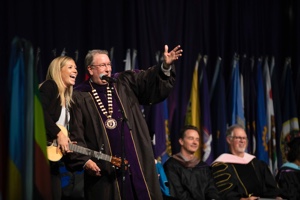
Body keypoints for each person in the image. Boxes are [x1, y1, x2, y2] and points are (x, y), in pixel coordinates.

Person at [66, 45, 183, 200]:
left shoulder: (123, 82)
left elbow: (147, 79)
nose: (107, 69)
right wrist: (84, 160)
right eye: (102, 65)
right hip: (105, 169)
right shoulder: (80, 95)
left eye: (108, 64)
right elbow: (76, 133)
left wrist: (165, 66)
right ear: (90, 69)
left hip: (137, 161)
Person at [39, 56, 78, 200]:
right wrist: (58, 134)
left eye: (76, 68)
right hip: (38, 157)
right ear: (58, 70)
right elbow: (38, 111)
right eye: (70, 67)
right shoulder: (50, 86)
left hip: (52, 160)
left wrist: (65, 141)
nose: (75, 71)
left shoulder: (67, 100)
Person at [211, 124, 282, 200]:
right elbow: (224, 193)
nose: (242, 141)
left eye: (244, 138)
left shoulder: (257, 163)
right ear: (229, 140)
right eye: (238, 138)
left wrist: (275, 196)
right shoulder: (221, 165)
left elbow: (272, 188)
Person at [163, 125, 220, 200]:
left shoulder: (203, 166)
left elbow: (211, 190)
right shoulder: (171, 165)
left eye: (197, 139)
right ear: (181, 141)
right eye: (191, 138)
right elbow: (178, 194)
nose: (195, 142)